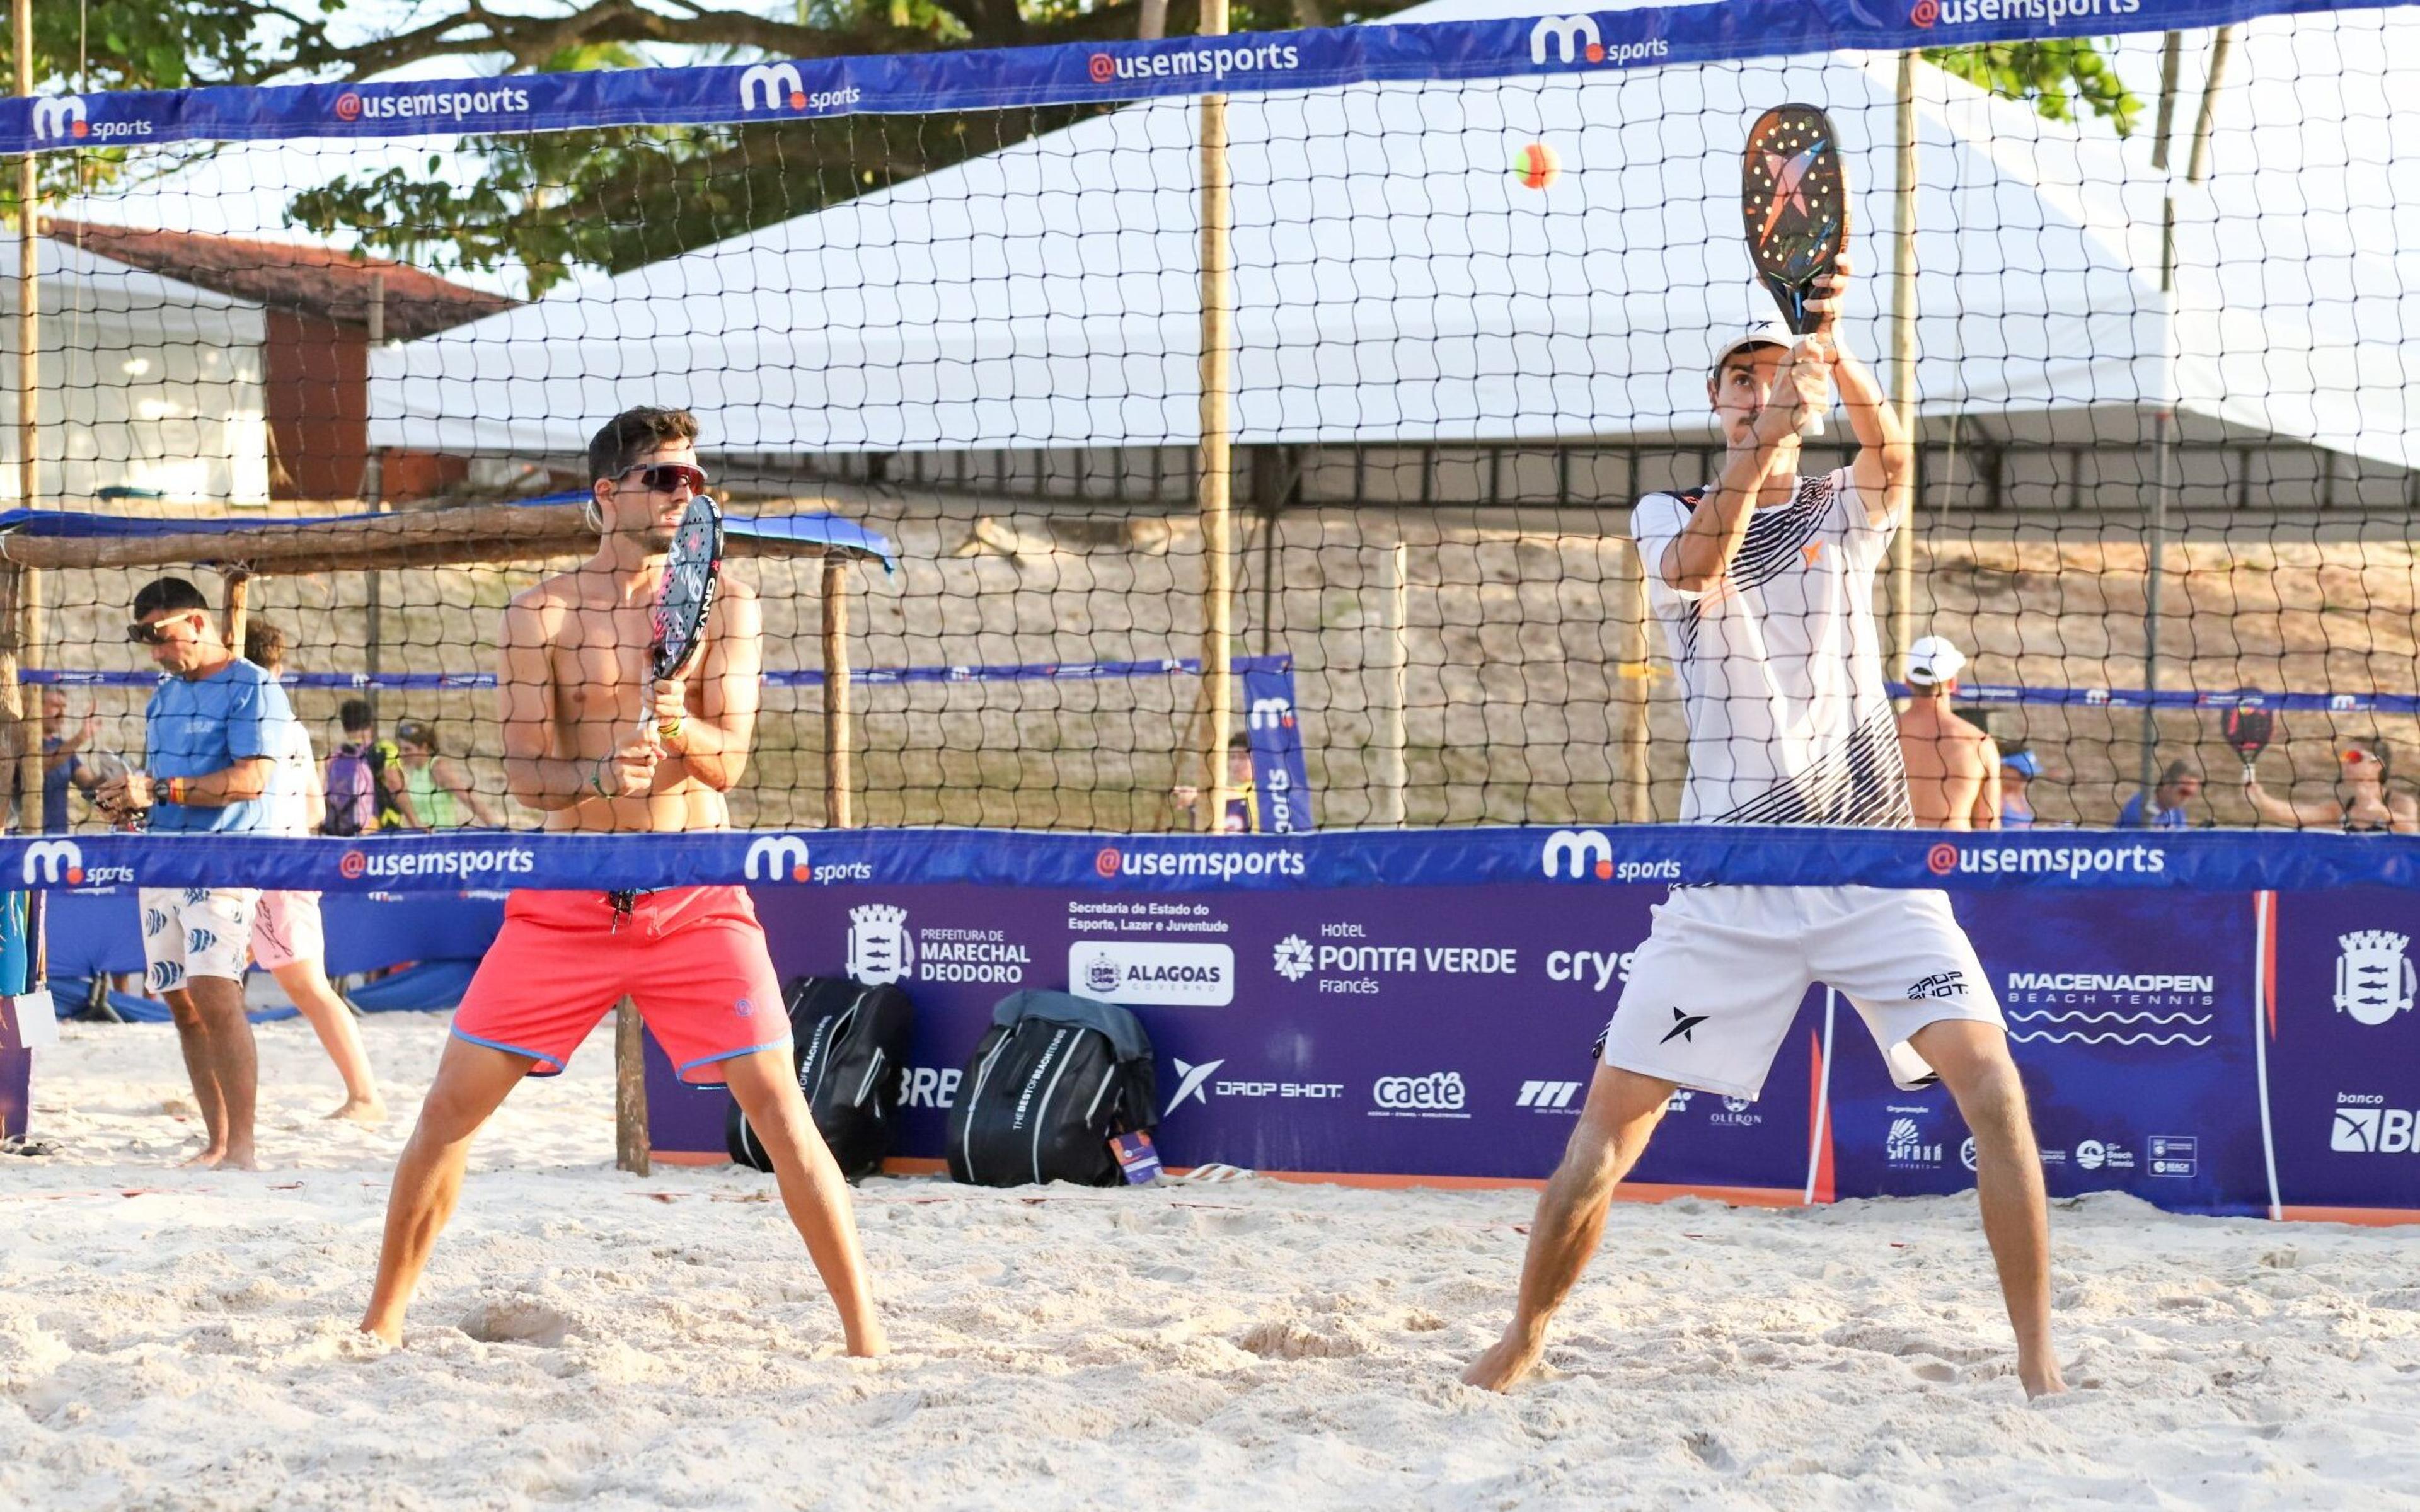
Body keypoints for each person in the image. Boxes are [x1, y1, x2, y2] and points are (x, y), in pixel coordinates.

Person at [1463, 267, 2065, 1399]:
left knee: (1995, 1093)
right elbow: (1703, 561)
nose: (1754, 391)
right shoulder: (1667, 513)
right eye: (1736, 380)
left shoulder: (1845, 506)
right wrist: (1775, 427)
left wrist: (1830, 352)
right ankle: (1524, 1339)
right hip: (1732, 878)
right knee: (1608, 1134)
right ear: (1715, 402)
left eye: (1768, 374)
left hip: (1872, 868)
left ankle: (2039, 1363)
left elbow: (1896, 464)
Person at [360, 406, 885, 1356]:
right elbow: (525, 775)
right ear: (606, 496)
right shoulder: (542, 614)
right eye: (664, 479)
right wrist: (599, 776)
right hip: (570, 894)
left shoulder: (729, 604)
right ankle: (379, 1323)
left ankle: (865, 1338)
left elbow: (730, 763)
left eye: (696, 480)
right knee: (446, 1112)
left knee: (780, 1111)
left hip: (692, 892)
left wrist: (677, 727)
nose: (687, 495)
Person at [95, 577, 292, 1170]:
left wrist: (156, 789)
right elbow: (158, 788)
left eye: (162, 636)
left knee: (216, 993)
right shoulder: (164, 695)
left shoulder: (252, 687)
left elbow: (252, 779)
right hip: (163, 859)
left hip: (225, 857)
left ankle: (245, 1148)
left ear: (199, 622)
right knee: (180, 1001)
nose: (157, 651)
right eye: (147, 642)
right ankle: (216, 1141)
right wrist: (128, 800)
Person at [243, 622, 386, 1123]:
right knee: (213, 985)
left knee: (307, 987)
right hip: (273, 862)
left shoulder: (264, 724)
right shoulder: (289, 727)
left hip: (272, 868)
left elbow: (312, 812)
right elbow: (316, 812)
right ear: (279, 668)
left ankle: (365, 1096)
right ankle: (218, 1103)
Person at [1894, 635, 2000, 830]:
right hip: (1950, 856)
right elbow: (1989, 828)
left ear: (1908, 681)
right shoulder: (1979, 743)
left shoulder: (1881, 736)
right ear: (1953, 683)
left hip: (1892, 855)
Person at [2242, 738, 2418, 834]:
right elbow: (2295, 815)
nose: (2346, 763)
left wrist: (2381, 811)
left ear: (2377, 765)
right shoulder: (2340, 810)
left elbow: (2412, 831)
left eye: (2355, 757)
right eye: (2345, 757)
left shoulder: (2401, 803)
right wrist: (2260, 799)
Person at [388, 718, 502, 830]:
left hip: (442, 840)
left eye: (408, 749)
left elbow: (466, 797)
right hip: (423, 841)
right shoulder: (414, 772)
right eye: (400, 749)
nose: (402, 754)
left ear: (424, 747)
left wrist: (493, 825)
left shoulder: (438, 768)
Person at [322, 699, 411, 835]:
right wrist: (416, 823)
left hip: (343, 832)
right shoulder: (383, 750)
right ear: (371, 723)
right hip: (380, 830)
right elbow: (395, 784)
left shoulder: (335, 756)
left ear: (345, 727)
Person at [38, 686, 102, 832]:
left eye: (64, 707)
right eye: (55, 706)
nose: (62, 714)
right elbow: (41, 765)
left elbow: (89, 785)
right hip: (23, 839)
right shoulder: (21, 742)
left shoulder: (63, 747)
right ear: (36, 706)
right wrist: (82, 736)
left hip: (59, 839)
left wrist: (112, 773)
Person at [1170, 733, 1259, 833]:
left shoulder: (1263, 789)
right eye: (1232, 757)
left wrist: (1199, 794)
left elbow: (1234, 794)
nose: (1236, 764)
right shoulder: (1239, 791)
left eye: (1243, 758)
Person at [2117, 760, 2201, 829]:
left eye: (2191, 794)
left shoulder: (2177, 811)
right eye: (2184, 792)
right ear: (2167, 785)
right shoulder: (2141, 806)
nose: (2186, 799)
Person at [1999, 746, 2043, 828]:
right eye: (2023, 774)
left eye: (2030, 775)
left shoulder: (2020, 796)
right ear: (2004, 768)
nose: (2027, 779)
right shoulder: (1994, 798)